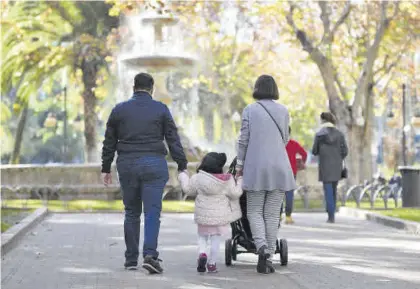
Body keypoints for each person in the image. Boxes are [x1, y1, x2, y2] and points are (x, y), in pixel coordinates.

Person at [101, 72, 187, 273]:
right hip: (154, 164)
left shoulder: (119, 110)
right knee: (152, 212)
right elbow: (173, 139)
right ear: (152, 89)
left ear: (133, 87)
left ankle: (131, 260)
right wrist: (182, 164)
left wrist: (106, 168)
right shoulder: (161, 109)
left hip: (127, 164)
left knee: (131, 212)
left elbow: (109, 142)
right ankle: (149, 255)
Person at [236, 75, 296, 274]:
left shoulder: (250, 110)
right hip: (280, 166)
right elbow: (286, 138)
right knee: (272, 214)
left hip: (256, 167)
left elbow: (243, 140)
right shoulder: (283, 110)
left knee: (254, 210)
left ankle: (260, 247)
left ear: (257, 88)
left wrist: (239, 164)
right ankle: (269, 256)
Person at [178, 152, 242, 273]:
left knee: (202, 238)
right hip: (219, 217)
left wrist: (183, 176)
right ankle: (212, 264)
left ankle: (202, 254)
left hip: (203, 216)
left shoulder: (197, 178)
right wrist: (240, 180)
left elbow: (188, 190)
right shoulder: (227, 180)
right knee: (215, 241)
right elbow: (235, 194)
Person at [312, 112, 348, 223]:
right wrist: (338, 156)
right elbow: (345, 151)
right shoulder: (340, 134)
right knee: (333, 190)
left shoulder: (319, 135)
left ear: (323, 120)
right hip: (337, 166)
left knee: (327, 190)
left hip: (324, 166)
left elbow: (314, 151)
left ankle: (330, 215)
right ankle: (331, 212)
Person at [281, 126, 307, 224]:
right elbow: (304, 154)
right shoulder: (294, 144)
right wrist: (301, 162)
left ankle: (278, 215)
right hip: (292, 172)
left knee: (277, 194)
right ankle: (288, 217)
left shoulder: (276, 144)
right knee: (289, 194)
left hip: (278, 172)